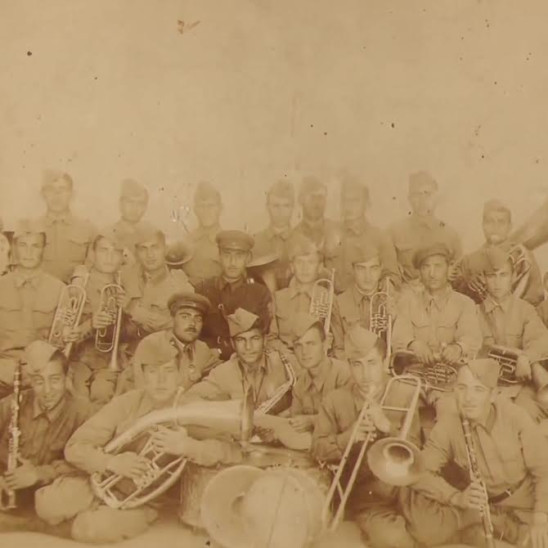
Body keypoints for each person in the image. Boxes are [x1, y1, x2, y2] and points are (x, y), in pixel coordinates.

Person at [35, 339, 242, 544]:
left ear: (179, 374)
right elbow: (75, 447)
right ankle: (79, 515)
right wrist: (112, 462)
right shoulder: (127, 403)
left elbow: (231, 452)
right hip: (99, 480)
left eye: (168, 371)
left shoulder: (191, 409)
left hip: (142, 502)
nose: (161, 380)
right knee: (46, 504)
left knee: (91, 528)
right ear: (142, 375)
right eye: (152, 371)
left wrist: (188, 446)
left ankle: (76, 523)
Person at [402, 358, 548, 548]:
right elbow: (420, 472)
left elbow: (543, 470)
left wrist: (541, 517)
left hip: (527, 502)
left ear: (493, 395)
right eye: (462, 388)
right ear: (454, 391)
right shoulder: (448, 425)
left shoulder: (515, 417)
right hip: (486, 509)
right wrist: (455, 497)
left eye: (478, 390)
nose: (468, 398)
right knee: (429, 532)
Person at [312, 325, 420, 548]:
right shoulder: (335, 400)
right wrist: (348, 437)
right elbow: (317, 449)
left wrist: (387, 427)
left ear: (385, 361)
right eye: (357, 365)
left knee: (435, 532)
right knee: (396, 541)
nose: (365, 374)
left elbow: (417, 450)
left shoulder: (405, 393)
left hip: (407, 492)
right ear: (349, 365)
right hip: (368, 498)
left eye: (372, 363)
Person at [0, 341, 90, 531]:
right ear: (31, 382)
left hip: (47, 489)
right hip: (7, 487)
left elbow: (85, 463)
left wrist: (38, 474)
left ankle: (30, 524)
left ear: (67, 377)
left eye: (55, 380)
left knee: (64, 499)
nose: (48, 390)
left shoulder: (83, 412)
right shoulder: (12, 403)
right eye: (39, 382)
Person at [477, 247, 548, 423]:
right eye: (492, 276)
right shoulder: (473, 312)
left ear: (513, 277)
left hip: (521, 386)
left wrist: (525, 357)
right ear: (483, 278)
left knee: (525, 414)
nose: (497, 282)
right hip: (485, 385)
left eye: (503, 275)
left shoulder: (526, 310)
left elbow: (541, 340)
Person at [184, 307, 292, 414]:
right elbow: (188, 399)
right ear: (233, 344)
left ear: (264, 341)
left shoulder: (283, 363)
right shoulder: (223, 373)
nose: (248, 347)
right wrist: (229, 409)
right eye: (241, 340)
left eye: (255, 339)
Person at [64, 229, 127, 409]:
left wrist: (127, 309)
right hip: (78, 360)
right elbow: (64, 333)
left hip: (109, 363)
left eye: (115, 252)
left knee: (103, 395)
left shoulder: (125, 285)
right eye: (103, 250)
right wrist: (90, 324)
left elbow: (133, 333)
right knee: (77, 400)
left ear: (122, 256)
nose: (109, 257)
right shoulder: (79, 284)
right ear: (93, 253)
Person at [392, 242, 481, 365]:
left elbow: (471, 338)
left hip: (452, 372)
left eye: (438, 266)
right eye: (426, 267)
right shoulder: (407, 302)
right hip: (415, 371)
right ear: (420, 272)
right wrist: (413, 344)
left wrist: (458, 348)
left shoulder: (465, 303)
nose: (432, 274)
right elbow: (398, 337)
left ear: (448, 268)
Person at [0, 220, 65, 388]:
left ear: (44, 250)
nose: (28, 252)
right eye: (23, 245)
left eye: (35, 246)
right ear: (14, 248)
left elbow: (62, 343)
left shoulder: (59, 289)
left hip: (42, 371)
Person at [194, 230, 272, 360]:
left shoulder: (259, 293)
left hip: (247, 359)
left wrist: (221, 350)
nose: (232, 261)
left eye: (239, 256)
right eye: (227, 255)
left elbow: (263, 333)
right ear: (219, 256)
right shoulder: (202, 290)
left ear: (248, 258)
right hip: (208, 358)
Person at [455, 199, 544, 306]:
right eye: (490, 221)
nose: (495, 226)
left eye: (501, 222)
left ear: (509, 227)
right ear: (483, 225)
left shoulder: (524, 257)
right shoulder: (468, 260)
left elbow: (536, 297)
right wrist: (466, 280)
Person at [129, 292, 220, 390]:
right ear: (172, 319)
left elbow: (221, 374)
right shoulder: (152, 344)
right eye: (185, 317)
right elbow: (143, 391)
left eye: (198, 319)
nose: (192, 324)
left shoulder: (201, 349)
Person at [325, 175, 400, 293]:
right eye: (345, 200)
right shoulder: (329, 232)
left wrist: (388, 284)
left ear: (367, 203)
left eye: (355, 201)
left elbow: (393, 276)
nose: (349, 206)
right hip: (333, 301)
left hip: (366, 300)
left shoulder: (380, 237)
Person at [389, 171, 462, 289]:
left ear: (436, 198)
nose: (422, 200)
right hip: (407, 295)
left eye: (427, 194)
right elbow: (389, 275)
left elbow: (459, 278)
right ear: (409, 199)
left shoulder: (450, 235)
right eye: (416, 195)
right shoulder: (394, 232)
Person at [122, 226, 194, 343]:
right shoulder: (125, 276)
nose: (149, 254)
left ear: (165, 249)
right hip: (126, 346)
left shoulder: (180, 284)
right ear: (137, 253)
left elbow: (186, 324)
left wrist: (137, 312)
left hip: (162, 348)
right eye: (143, 249)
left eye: (155, 247)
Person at [331, 242, 397, 360]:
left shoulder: (392, 300)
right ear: (353, 269)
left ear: (381, 269)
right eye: (361, 268)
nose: (368, 276)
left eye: (373, 268)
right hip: (350, 365)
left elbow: (398, 348)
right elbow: (338, 349)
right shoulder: (339, 302)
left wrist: (394, 320)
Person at [288, 312, 350, 433]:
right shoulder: (300, 384)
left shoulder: (344, 375)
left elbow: (347, 422)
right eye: (298, 346)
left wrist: (312, 421)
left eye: (310, 344)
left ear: (325, 344)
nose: (304, 352)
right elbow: (295, 421)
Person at [270, 234, 332, 350]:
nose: (305, 268)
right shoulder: (278, 298)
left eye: (311, 262)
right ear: (292, 267)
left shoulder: (328, 297)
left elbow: (338, 344)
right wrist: (286, 354)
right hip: (286, 357)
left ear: (320, 267)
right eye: (299, 262)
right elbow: (271, 339)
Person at [37, 169, 96, 283]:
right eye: (51, 189)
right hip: (40, 291)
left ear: (72, 194)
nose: (56, 195)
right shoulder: (32, 229)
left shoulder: (88, 229)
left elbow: (94, 267)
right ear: (43, 193)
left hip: (76, 291)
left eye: (62, 189)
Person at [252, 180, 295, 290]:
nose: (281, 211)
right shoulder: (255, 242)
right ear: (268, 207)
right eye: (276, 206)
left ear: (292, 208)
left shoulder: (303, 242)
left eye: (286, 206)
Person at [182, 181, 223, 286]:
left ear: (220, 208)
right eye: (201, 206)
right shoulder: (187, 241)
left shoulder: (226, 242)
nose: (206, 211)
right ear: (195, 209)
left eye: (211, 206)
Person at [108, 179, 153, 266]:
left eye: (140, 203)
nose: (134, 208)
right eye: (130, 202)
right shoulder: (107, 235)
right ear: (121, 204)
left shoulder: (152, 236)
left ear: (145, 207)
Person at [288, 176, 337, 255]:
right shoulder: (292, 237)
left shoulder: (336, 231)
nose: (316, 203)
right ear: (301, 200)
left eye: (320, 197)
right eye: (312, 197)